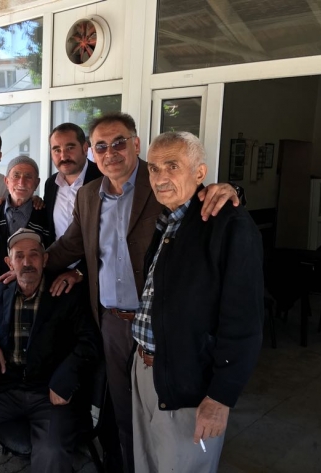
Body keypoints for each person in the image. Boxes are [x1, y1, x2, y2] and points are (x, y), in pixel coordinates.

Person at [45, 112, 242, 473]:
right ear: (92, 153)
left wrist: (230, 191)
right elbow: (70, 246)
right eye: (101, 146)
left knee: (175, 420)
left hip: (163, 326)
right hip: (112, 323)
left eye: (119, 142)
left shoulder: (159, 185)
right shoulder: (88, 195)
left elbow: (201, 198)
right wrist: (27, 263)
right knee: (128, 414)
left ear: (136, 144)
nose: (110, 152)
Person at [131, 131, 263, 472]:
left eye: (172, 166)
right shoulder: (167, 220)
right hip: (146, 370)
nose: (160, 177)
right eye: (154, 168)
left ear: (200, 173)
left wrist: (221, 396)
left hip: (188, 379)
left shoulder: (228, 224)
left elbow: (243, 321)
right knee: (148, 463)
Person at [0, 228, 101, 473]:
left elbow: (89, 342)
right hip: (4, 390)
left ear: (45, 259)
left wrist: (65, 379)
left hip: (48, 392)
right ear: (9, 262)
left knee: (52, 451)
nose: (27, 262)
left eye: (34, 254)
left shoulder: (66, 294)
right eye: (19, 256)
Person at [0, 155, 51, 277]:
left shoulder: (46, 216)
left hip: (33, 285)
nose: (21, 182)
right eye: (16, 176)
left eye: (28, 176)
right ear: (6, 181)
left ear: (37, 183)